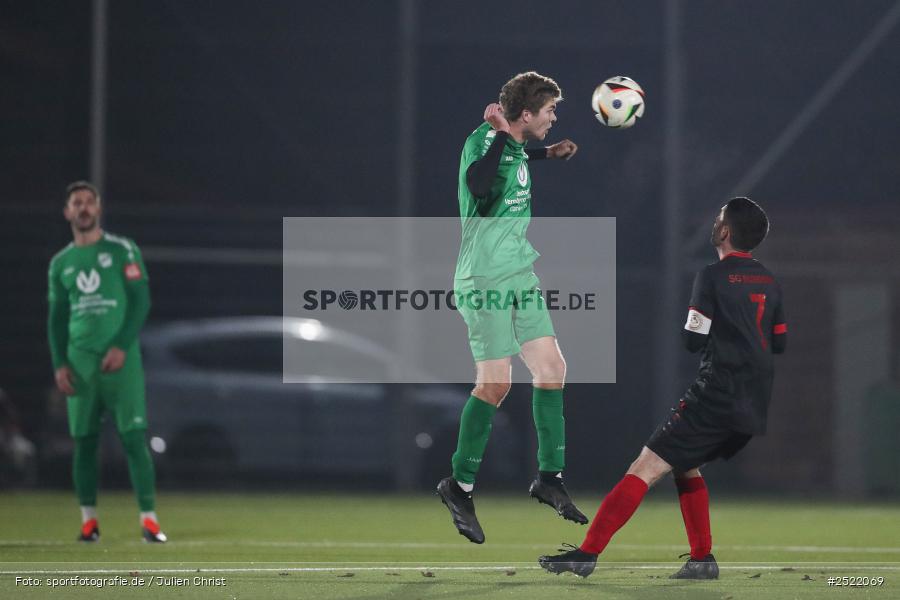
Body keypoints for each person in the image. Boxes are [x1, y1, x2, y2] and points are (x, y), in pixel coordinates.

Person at [538, 197, 786, 578]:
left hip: (716, 394)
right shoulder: (769, 279)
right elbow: (779, 341)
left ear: (724, 231)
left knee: (646, 466)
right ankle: (702, 560)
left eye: (718, 218)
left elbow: (692, 339)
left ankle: (585, 554)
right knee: (686, 466)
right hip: (753, 401)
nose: (714, 222)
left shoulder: (712, 276)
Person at [436, 72, 586, 544]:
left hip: (519, 271)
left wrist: (547, 154)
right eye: (549, 112)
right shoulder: (488, 139)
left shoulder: (514, 143)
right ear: (525, 115)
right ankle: (458, 486)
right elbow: (479, 184)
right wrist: (502, 135)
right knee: (496, 384)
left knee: (552, 368)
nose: (554, 118)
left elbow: (509, 165)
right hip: (484, 277)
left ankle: (549, 478)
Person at [47, 181, 166, 543]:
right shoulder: (61, 263)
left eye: (89, 202)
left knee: (134, 438)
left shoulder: (122, 250)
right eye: (76, 203)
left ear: (98, 209)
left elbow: (141, 302)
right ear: (67, 212)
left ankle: (149, 520)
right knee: (84, 442)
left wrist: (121, 345)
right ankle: (88, 522)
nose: (83, 208)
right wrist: (59, 362)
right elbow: (56, 318)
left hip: (121, 362)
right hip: (81, 365)